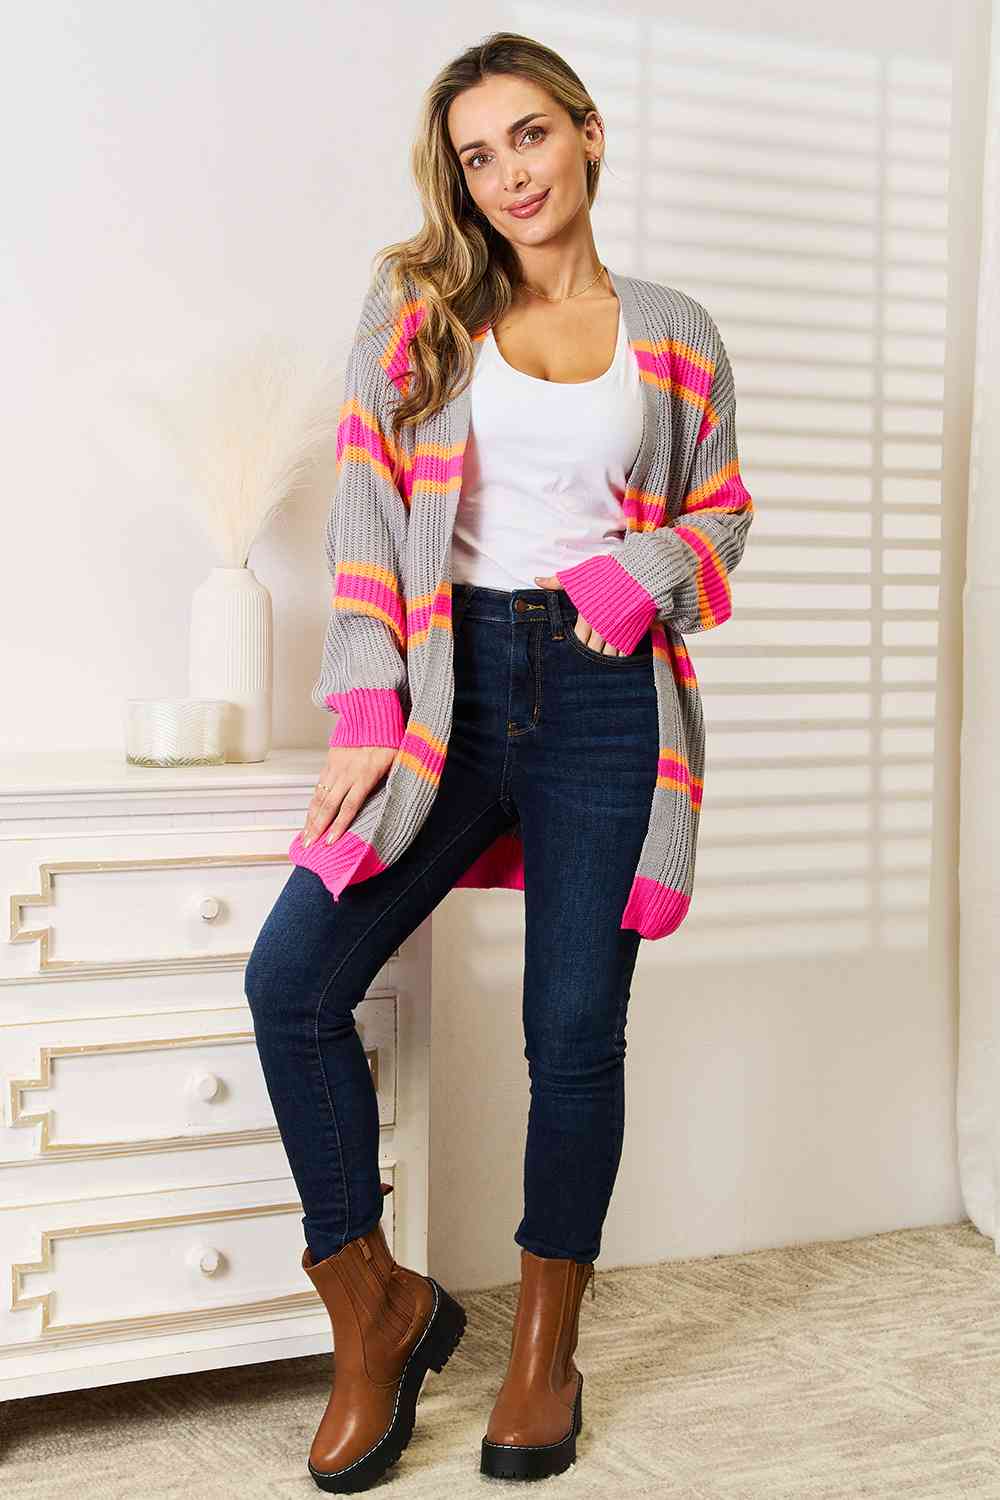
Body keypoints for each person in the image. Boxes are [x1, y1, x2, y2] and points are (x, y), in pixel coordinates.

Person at [244, 29, 753, 1493]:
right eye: (478, 156)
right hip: (442, 697)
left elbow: (721, 516)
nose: (510, 175)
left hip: (605, 700)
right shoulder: (419, 306)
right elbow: (365, 503)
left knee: (574, 1032)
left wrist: (640, 572)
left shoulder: (674, 330)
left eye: (529, 135)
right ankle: (375, 1308)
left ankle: (544, 1346)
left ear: (587, 132)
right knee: (293, 982)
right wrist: (363, 711)